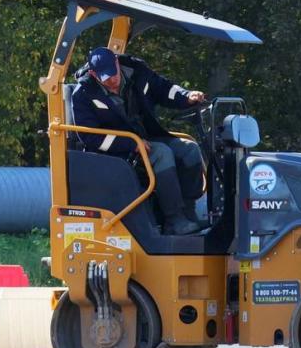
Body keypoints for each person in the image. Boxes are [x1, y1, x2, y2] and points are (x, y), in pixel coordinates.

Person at [71, 46, 207, 235]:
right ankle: (174, 219)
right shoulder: (83, 94)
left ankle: (188, 213)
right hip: (117, 151)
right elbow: (90, 137)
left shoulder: (137, 71)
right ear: (93, 74)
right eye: (105, 77)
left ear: (117, 62)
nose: (112, 80)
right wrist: (131, 144)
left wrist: (186, 96)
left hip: (146, 138)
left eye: (113, 73)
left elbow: (163, 88)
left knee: (189, 149)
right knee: (161, 154)